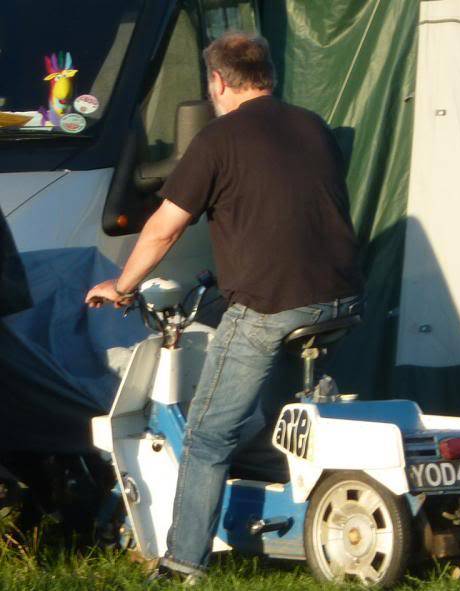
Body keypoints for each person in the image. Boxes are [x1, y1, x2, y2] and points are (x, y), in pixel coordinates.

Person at [85, 32, 363, 582]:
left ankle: (181, 562)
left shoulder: (218, 139)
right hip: (339, 298)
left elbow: (164, 228)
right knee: (276, 421)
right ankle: (293, 520)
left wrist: (121, 285)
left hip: (271, 305)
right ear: (268, 74)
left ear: (217, 81)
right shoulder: (312, 127)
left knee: (208, 435)